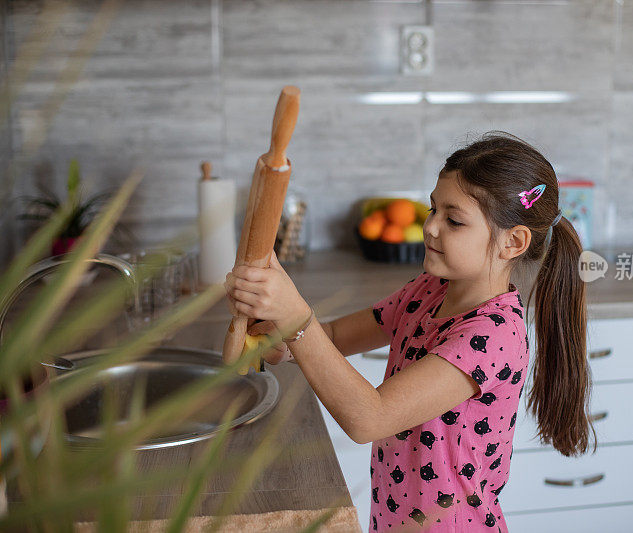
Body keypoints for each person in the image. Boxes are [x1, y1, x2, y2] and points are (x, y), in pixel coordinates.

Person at [225, 131, 594, 532]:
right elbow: (331, 337)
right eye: (432, 208)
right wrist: (281, 340)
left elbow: (369, 418)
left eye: (453, 220)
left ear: (513, 242)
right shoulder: (430, 289)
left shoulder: (493, 337)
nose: (430, 227)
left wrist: (296, 318)